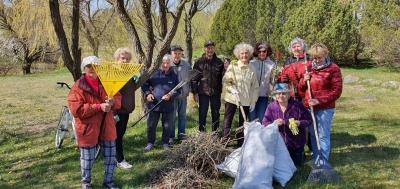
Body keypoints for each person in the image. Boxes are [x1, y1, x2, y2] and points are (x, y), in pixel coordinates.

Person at [68, 56, 122, 189]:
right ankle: (86, 182)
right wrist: (98, 107)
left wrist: (112, 102)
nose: (93, 69)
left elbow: (118, 99)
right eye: (89, 66)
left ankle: (108, 181)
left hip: (107, 124)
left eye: (96, 66)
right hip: (88, 127)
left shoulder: (107, 82)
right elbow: (77, 109)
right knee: (87, 159)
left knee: (110, 156)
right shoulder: (78, 87)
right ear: (84, 69)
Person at [298, 43, 343, 162]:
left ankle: (323, 160)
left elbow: (337, 91)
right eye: (314, 58)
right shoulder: (308, 68)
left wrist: (319, 100)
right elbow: (301, 90)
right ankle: (316, 158)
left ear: (325, 55)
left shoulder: (333, 69)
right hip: (310, 107)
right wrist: (303, 80)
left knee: (322, 135)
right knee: (313, 134)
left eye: (319, 58)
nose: (317, 60)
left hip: (325, 108)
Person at [262, 83, 312, 166]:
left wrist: (299, 123)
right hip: (278, 143)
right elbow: (264, 123)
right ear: (275, 95)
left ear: (288, 94)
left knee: (295, 164)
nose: (281, 96)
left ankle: (299, 153)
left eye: (284, 93)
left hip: (296, 143)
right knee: (281, 165)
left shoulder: (298, 105)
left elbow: (308, 120)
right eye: (278, 93)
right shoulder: (271, 107)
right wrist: (274, 123)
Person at [222, 43, 259, 147]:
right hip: (232, 98)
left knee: (243, 122)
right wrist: (231, 89)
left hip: (246, 99)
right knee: (227, 120)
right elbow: (226, 81)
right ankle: (225, 141)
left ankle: (240, 142)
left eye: (246, 53)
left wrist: (253, 101)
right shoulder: (233, 66)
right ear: (238, 54)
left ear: (250, 54)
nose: (244, 55)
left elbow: (254, 86)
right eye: (242, 53)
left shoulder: (252, 68)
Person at [141, 54, 181, 151]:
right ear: (160, 63)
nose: (165, 65)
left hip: (168, 106)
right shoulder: (153, 74)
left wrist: (170, 96)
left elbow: (178, 90)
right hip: (154, 105)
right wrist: (148, 94)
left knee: (167, 126)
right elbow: (144, 85)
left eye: (167, 63)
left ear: (170, 64)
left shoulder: (174, 76)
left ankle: (165, 143)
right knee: (151, 125)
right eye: (163, 63)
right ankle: (150, 143)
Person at [113, 48, 139, 170]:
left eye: (127, 59)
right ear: (117, 59)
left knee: (120, 133)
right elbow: (110, 93)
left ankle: (114, 157)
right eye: (123, 58)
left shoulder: (127, 73)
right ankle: (119, 159)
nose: (125, 61)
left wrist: (133, 78)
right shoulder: (114, 73)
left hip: (126, 109)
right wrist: (113, 112)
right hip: (118, 110)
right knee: (117, 135)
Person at [191, 40, 225, 132]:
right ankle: (202, 134)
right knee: (202, 114)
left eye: (212, 48)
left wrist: (225, 68)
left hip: (216, 92)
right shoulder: (199, 62)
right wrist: (195, 93)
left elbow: (224, 77)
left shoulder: (219, 62)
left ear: (214, 49)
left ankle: (215, 134)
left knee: (216, 114)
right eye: (208, 48)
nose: (210, 50)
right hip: (203, 92)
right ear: (204, 49)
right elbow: (194, 79)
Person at [169, 45, 192, 143]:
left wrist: (189, 91)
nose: (177, 56)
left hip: (183, 96)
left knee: (182, 116)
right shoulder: (168, 65)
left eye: (179, 53)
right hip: (172, 97)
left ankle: (181, 135)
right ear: (171, 54)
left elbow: (191, 79)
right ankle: (171, 136)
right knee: (172, 117)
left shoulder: (186, 65)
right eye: (175, 53)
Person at [249, 42, 276, 122]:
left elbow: (272, 82)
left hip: (263, 96)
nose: (262, 53)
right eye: (259, 51)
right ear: (256, 52)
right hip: (251, 96)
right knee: (252, 120)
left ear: (267, 52)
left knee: (261, 119)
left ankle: (260, 134)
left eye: (264, 51)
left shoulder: (272, 64)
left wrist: (276, 77)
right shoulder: (251, 63)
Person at [279, 37, 312, 101]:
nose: (296, 49)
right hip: (291, 94)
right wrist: (282, 78)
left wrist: (303, 76)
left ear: (303, 47)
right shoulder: (288, 61)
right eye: (294, 47)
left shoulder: (309, 59)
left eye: (298, 46)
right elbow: (281, 75)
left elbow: (314, 74)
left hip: (306, 94)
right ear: (291, 49)